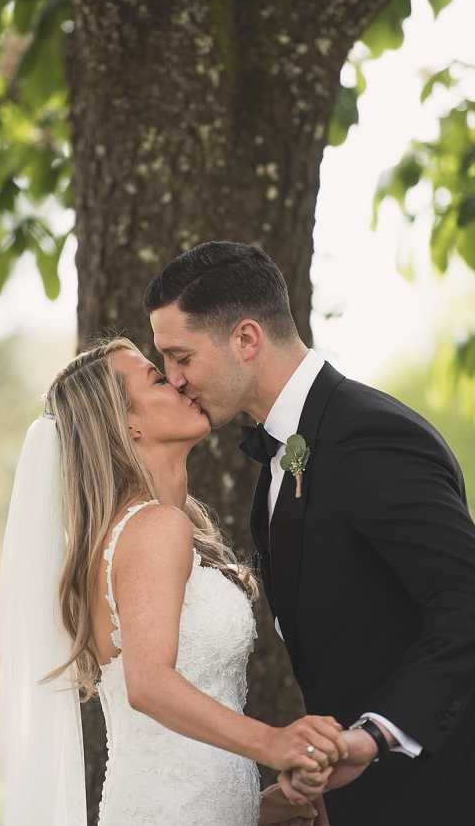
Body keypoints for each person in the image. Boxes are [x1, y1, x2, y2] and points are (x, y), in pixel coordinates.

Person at [145, 240, 475, 826]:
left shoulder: (372, 437)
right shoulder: (276, 459)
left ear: (246, 340)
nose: (173, 380)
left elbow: (465, 604)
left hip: (442, 792)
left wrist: (373, 737)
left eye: (181, 357)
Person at [0, 336, 347, 826]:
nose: (179, 381)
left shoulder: (136, 532)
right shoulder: (155, 526)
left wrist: (252, 808)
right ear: (127, 424)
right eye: (158, 378)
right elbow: (149, 685)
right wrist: (274, 743)